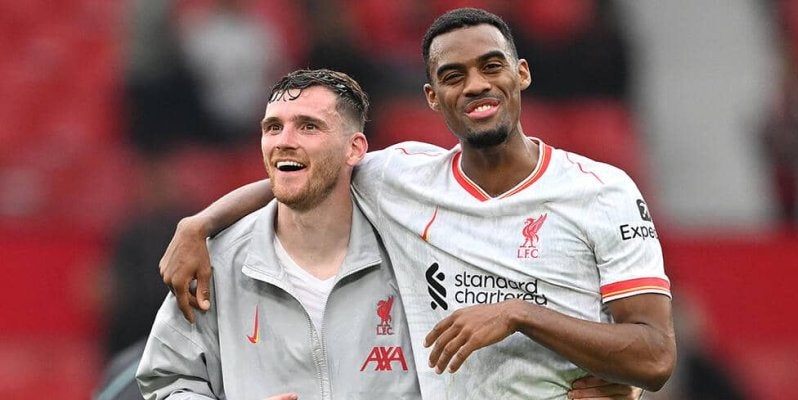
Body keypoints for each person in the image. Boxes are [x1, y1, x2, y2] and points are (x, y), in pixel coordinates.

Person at [159, 8, 675, 399]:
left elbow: (655, 358)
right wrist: (198, 225)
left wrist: (520, 315)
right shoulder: (403, 178)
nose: (476, 85)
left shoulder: (602, 192)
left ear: (521, 73)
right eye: (453, 76)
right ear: (432, 97)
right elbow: (308, 172)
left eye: (491, 66)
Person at [136, 69, 420, 399]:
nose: (284, 141)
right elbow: (169, 383)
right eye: (273, 127)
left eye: (308, 126)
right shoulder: (216, 265)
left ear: (354, 149)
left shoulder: (409, 253)